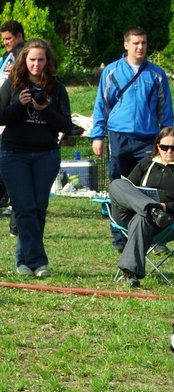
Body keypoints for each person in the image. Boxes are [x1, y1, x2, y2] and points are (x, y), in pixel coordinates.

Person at [89, 26, 174, 252]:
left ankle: (151, 235)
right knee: (118, 185)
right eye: (136, 43)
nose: (140, 47)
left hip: (148, 138)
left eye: (144, 43)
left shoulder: (156, 74)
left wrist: (168, 139)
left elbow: (165, 110)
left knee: (147, 186)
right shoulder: (111, 71)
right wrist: (97, 136)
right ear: (126, 45)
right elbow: (101, 105)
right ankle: (119, 235)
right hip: (119, 136)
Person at [0, 39, 73, 278]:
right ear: (24, 60)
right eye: (32, 59)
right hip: (14, 153)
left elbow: (66, 124)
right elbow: (1, 117)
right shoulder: (12, 84)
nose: (36, 64)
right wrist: (19, 106)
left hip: (46, 154)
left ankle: (26, 261)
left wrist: (46, 110)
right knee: (24, 207)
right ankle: (37, 261)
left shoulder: (57, 88)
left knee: (39, 208)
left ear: (47, 61)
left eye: (41, 59)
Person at [108, 126, 174, 287]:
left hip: (164, 221)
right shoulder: (145, 164)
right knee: (117, 184)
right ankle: (151, 210)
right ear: (157, 147)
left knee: (141, 219)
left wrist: (167, 206)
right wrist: (151, 207)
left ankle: (130, 273)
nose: (169, 152)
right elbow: (128, 186)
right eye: (164, 147)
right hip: (130, 214)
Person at [0, 20, 25, 212]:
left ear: (19, 36)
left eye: (9, 39)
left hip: (17, 112)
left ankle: (11, 199)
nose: (6, 42)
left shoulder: (24, 54)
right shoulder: (6, 57)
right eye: (4, 39)